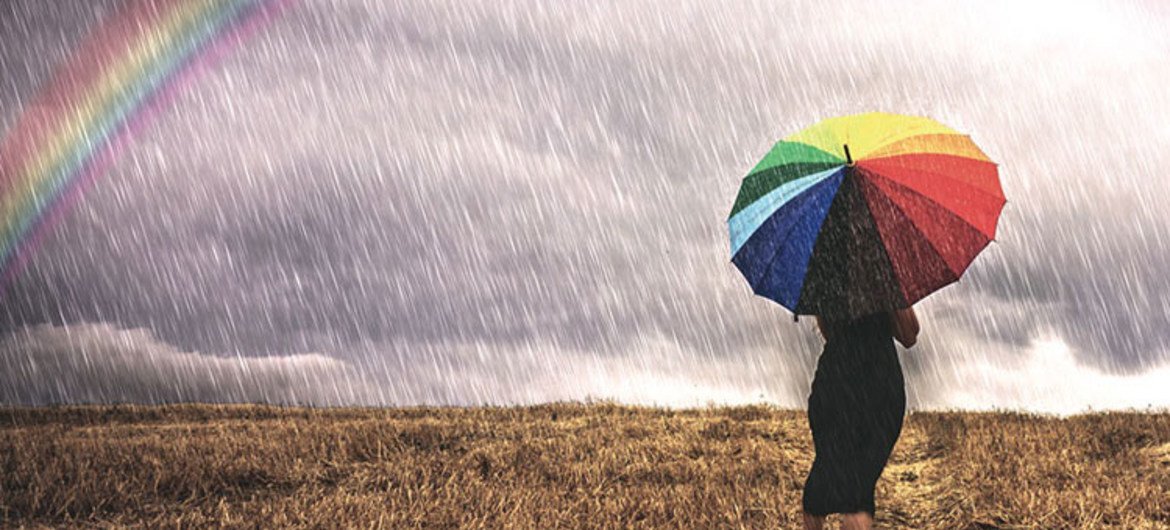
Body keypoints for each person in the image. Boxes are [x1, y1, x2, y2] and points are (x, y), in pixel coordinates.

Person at [800, 307, 919, 530]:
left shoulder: (824, 276)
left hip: (833, 380)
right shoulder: (884, 275)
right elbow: (909, 335)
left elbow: (828, 332)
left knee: (824, 471)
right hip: (879, 382)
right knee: (860, 488)